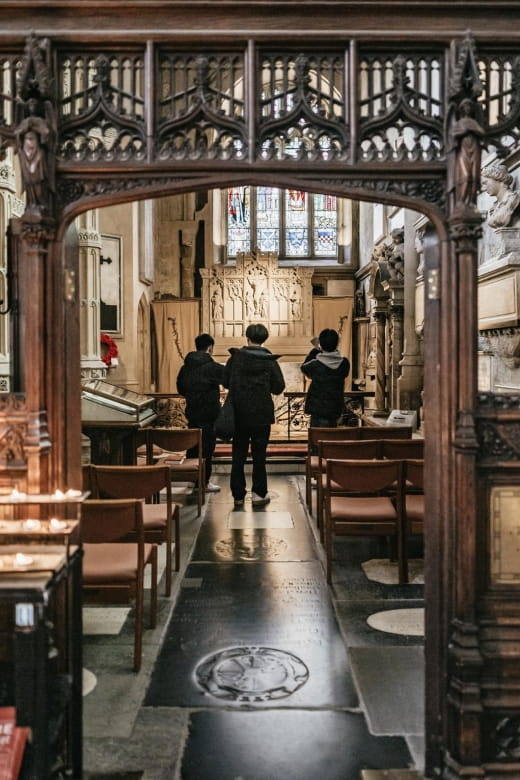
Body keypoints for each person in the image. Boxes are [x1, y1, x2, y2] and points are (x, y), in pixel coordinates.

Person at [223, 323, 285, 508]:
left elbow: (225, 382)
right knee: (259, 455)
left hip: (239, 412)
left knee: (238, 455)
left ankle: (238, 495)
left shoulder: (235, 358)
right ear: (264, 339)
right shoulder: (269, 360)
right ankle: (259, 493)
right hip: (261, 413)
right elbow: (279, 386)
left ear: (247, 337)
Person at [176, 333, 225, 493]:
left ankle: (193, 479)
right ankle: (204, 482)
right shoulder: (212, 367)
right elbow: (228, 379)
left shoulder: (186, 367)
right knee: (207, 448)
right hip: (209, 413)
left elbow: (180, 388)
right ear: (210, 348)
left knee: (192, 445)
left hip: (192, 411)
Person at [301, 328, 350, 428]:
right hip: (335, 407)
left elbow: (304, 368)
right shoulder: (344, 363)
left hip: (317, 408)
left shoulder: (315, 364)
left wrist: (315, 350)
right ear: (337, 344)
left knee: (316, 439)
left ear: (321, 344)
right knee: (331, 439)